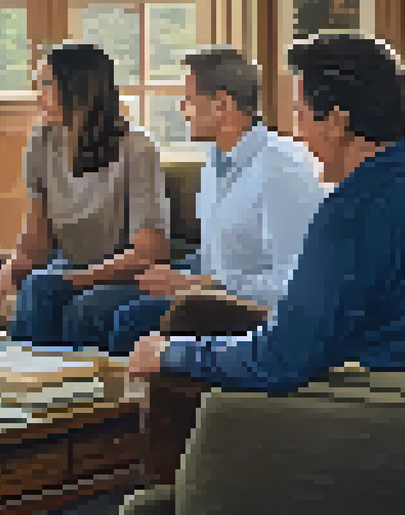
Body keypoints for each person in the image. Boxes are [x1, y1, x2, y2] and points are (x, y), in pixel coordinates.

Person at [128, 33, 405, 391]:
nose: (297, 132)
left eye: (300, 113)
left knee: (178, 371)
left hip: (400, 409)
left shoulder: (357, 210)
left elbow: (280, 359)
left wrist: (172, 353)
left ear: (338, 123)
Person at [108, 46, 327, 354]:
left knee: (129, 319)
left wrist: (199, 285)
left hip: (258, 314)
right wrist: (187, 280)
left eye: (188, 99)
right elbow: (216, 258)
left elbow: (292, 284)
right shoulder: (215, 160)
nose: (181, 109)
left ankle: (134, 401)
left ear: (222, 104)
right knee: (102, 307)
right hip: (209, 299)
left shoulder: (283, 170)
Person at [0, 42, 172, 350]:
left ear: (80, 89)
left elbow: (148, 254)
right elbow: (36, 242)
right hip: (70, 264)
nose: (38, 97)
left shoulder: (137, 148)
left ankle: (66, 387)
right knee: (37, 285)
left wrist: (71, 281)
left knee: (75, 305)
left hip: (124, 274)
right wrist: (11, 269)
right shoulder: (41, 142)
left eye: (47, 85)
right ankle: (22, 380)